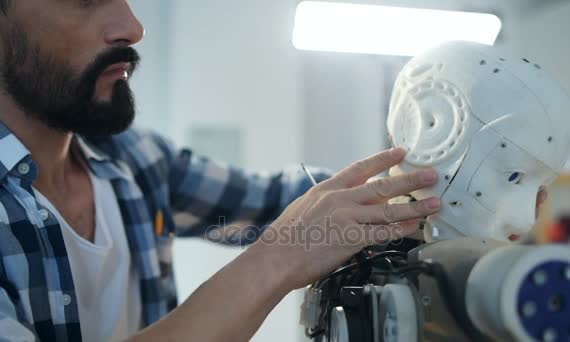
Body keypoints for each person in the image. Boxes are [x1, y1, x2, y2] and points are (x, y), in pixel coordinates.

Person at [0, 1, 441, 341]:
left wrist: (426, 192)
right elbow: (291, 232)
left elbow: (272, 203)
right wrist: (280, 255)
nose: (132, 27)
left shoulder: (132, 159)